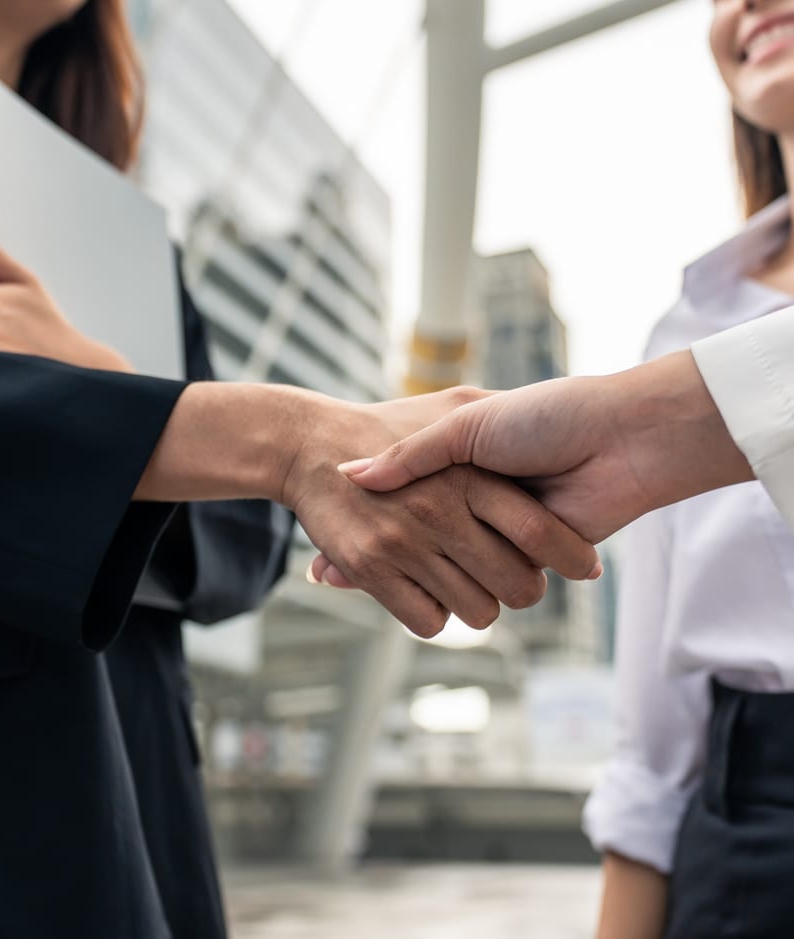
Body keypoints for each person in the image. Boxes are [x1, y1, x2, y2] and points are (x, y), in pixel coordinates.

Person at [0, 3, 603, 938]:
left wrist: (113, 396)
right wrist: (268, 438)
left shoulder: (132, 242)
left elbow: (251, 535)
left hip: (134, 796)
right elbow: (260, 474)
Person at [324, 2, 794, 937]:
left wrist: (655, 420)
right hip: (746, 830)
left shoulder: (674, 371)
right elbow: (656, 734)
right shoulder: (690, 326)